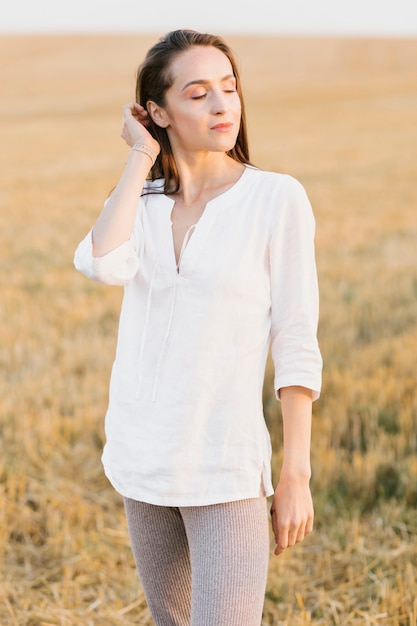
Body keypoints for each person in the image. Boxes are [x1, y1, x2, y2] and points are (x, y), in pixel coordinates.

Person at [74, 29, 322, 626]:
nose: (222, 105)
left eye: (229, 88)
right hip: (143, 457)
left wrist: (295, 474)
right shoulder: (144, 199)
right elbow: (100, 263)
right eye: (198, 93)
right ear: (158, 111)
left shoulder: (275, 199)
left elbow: (295, 341)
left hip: (226, 465)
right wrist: (140, 156)